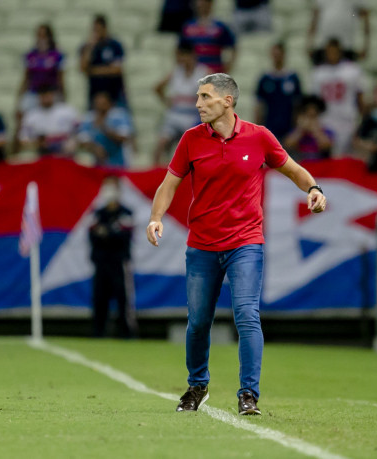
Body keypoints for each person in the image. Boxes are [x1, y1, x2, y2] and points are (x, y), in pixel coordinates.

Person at [145, 73, 327, 415]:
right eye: (197, 97)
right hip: (202, 244)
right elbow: (169, 184)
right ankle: (197, 386)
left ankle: (248, 395)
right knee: (199, 322)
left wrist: (314, 189)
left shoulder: (260, 137)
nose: (197, 104)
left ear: (227, 101)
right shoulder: (190, 139)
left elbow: (293, 169)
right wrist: (156, 217)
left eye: (204, 96)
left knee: (247, 315)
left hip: (245, 243)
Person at [90, 175, 137, 338]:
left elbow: (123, 236)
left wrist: (107, 233)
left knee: (122, 298)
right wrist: (110, 233)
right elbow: (93, 235)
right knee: (99, 298)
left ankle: (126, 333)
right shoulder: (98, 213)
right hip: (101, 261)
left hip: (119, 262)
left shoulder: (126, 213)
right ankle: (98, 332)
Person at [153, 43, 209, 164]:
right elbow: (157, 88)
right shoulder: (176, 72)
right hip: (175, 114)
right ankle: (155, 172)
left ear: (193, 55)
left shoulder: (203, 73)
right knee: (161, 144)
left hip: (193, 116)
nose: (183, 59)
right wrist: (166, 101)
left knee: (188, 147)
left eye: (185, 55)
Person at [310, 38, 367, 157]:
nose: (332, 54)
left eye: (334, 51)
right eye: (329, 51)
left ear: (340, 52)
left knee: (346, 157)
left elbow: (360, 97)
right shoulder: (318, 73)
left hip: (347, 120)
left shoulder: (352, 70)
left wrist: (362, 120)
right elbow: (314, 103)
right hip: (326, 121)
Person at [15, 24, 66, 149]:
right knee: (22, 118)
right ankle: (19, 147)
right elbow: (26, 77)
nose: (41, 38)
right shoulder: (31, 55)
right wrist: (20, 97)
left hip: (51, 93)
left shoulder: (56, 55)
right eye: (39, 35)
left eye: (44, 35)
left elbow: (60, 78)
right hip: (33, 92)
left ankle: (53, 147)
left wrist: (63, 95)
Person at [255, 42, 302, 142]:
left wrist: (297, 127)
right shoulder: (265, 79)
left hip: (289, 128)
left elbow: (298, 105)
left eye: (279, 54)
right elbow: (259, 105)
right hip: (270, 127)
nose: (277, 57)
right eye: (275, 54)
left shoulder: (293, 78)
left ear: (284, 55)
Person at [79, 15, 127, 109]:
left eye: (99, 29)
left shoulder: (115, 45)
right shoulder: (88, 47)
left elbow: (116, 70)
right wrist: (90, 48)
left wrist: (93, 71)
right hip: (95, 94)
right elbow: (83, 68)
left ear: (105, 28)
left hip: (114, 93)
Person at [19, 85, 79, 156]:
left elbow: (79, 130)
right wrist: (37, 143)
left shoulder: (67, 111)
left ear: (53, 95)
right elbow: (23, 138)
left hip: (65, 149)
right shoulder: (31, 115)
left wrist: (72, 141)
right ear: (39, 97)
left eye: (48, 95)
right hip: (40, 150)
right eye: (43, 95)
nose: (46, 98)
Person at [179, 0, 237, 74]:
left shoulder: (220, 27)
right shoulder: (188, 26)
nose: (200, 4)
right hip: (194, 74)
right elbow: (180, 50)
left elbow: (233, 48)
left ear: (210, 3)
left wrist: (228, 66)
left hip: (214, 72)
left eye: (203, 1)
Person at [78, 91, 133, 167]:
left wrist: (105, 128)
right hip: (98, 163)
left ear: (109, 103)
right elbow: (82, 140)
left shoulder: (119, 115)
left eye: (103, 104)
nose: (100, 107)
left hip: (119, 161)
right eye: (97, 104)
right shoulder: (89, 118)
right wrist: (94, 147)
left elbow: (124, 137)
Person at [283, 95, 334, 161]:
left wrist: (316, 131)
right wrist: (300, 130)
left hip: (320, 165)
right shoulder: (296, 131)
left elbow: (326, 146)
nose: (310, 120)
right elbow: (287, 145)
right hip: (301, 164)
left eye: (313, 116)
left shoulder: (326, 131)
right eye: (308, 116)